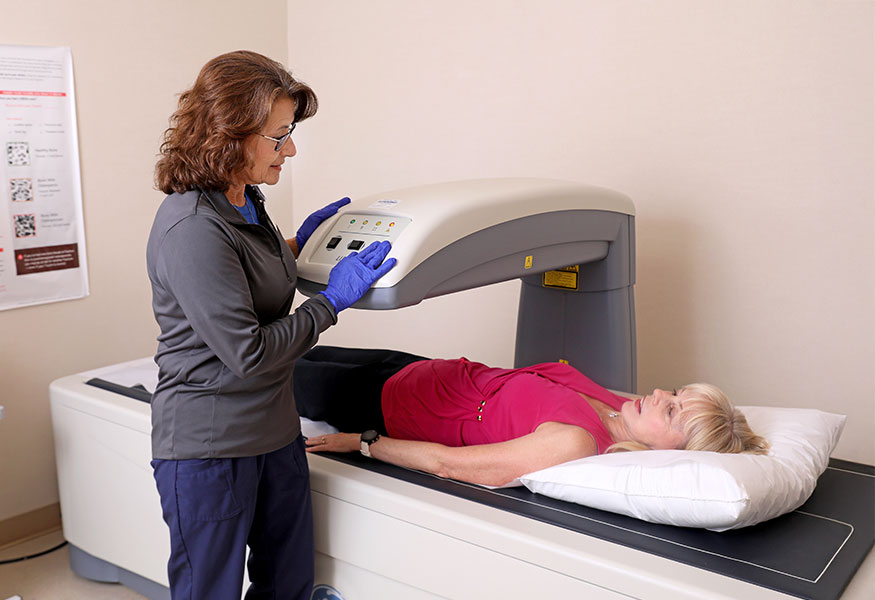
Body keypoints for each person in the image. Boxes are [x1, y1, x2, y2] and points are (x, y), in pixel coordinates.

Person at [146, 51, 395, 600]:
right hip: (210, 445)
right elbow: (249, 352)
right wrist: (331, 301)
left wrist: (297, 245)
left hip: (275, 433)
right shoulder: (191, 226)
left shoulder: (245, 199)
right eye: (279, 136)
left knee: (288, 585)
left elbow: (242, 275)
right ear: (230, 135)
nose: (292, 149)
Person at [297, 346, 770, 487]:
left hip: (380, 403)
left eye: (670, 409)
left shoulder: (577, 443)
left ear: (670, 453)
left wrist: (361, 442)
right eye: (676, 392)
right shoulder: (615, 406)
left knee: (251, 364)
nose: (659, 393)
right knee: (295, 341)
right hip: (414, 367)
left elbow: (448, 464)